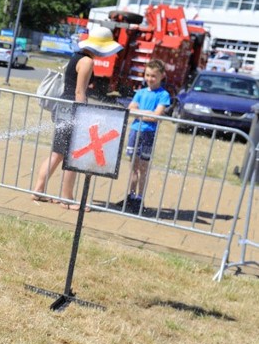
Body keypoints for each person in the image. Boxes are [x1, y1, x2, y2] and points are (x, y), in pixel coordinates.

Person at [31, 25, 123, 210]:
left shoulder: (77, 57)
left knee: (58, 153)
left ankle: (38, 190)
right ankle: (67, 198)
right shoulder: (88, 62)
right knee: (73, 156)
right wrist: (84, 116)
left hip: (64, 107)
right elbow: (79, 92)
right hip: (73, 108)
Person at [123, 59, 169, 213]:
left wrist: (143, 114)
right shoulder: (140, 92)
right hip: (135, 131)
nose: (149, 79)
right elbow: (131, 110)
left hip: (148, 133)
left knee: (143, 167)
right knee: (133, 166)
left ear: (162, 76)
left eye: (153, 76)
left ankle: (140, 198)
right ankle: (130, 195)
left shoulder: (163, 95)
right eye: (147, 75)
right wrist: (147, 113)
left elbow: (155, 116)